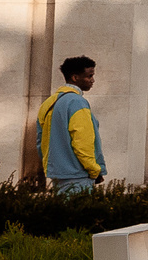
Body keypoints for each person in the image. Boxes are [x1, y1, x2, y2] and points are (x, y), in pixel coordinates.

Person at [36, 55, 105, 194]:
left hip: (58, 174)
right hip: (78, 174)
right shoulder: (77, 102)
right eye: (89, 76)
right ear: (75, 77)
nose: (93, 80)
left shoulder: (49, 103)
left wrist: (52, 166)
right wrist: (94, 170)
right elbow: (82, 141)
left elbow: (40, 141)